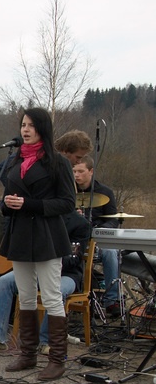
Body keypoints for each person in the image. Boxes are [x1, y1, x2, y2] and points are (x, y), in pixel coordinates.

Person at [0, 107, 76, 381]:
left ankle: (57, 360)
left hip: (47, 236)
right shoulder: (14, 160)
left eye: (31, 125)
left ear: (42, 128)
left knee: (52, 296)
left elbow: (68, 203)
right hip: (20, 235)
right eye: (23, 124)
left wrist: (29, 204)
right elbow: (8, 199)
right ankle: (28, 354)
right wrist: (6, 205)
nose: (25, 129)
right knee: (26, 295)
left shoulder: (58, 163)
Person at [0, 210, 90, 353]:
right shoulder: (36, 217)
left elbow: (74, 258)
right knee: (5, 281)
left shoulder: (79, 223)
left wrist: (45, 258)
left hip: (66, 274)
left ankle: (46, 342)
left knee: (57, 291)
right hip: (33, 269)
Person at [60, 131, 122, 314]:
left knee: (111, 253)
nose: (77, 175)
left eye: (81, 171)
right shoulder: (68, 190)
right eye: (74, 171)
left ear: (91, 171)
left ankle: (111, 300)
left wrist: (99, 230)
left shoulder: (105, 192)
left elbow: (114, 220)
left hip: (98, 238)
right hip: (76, 239)